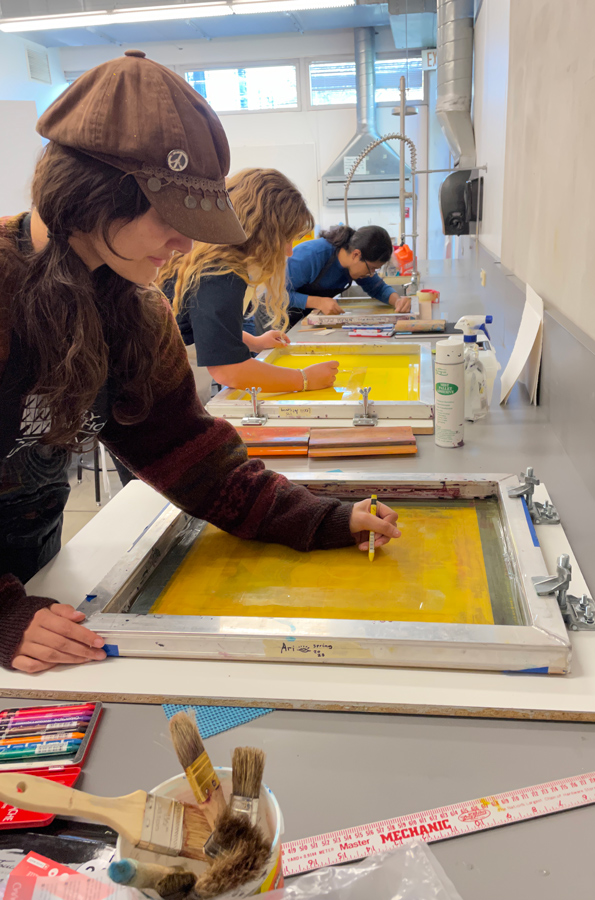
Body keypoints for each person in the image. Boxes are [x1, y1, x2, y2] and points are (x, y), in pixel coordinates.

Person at [0, 50, 400, 674]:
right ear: (94, 195)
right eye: (171, 218)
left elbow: (194, 459)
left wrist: (322, 518)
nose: (186, 244)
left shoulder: (136, 310)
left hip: (33, 574)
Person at [162, 168, 340, 394]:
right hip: (162, 391)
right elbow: (229, 371)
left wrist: (254, 342)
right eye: (285, 239)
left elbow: (207, 329)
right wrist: (304, 379)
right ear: (261, 232)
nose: (289, 252)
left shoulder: (213, 259)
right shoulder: (220, 274)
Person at [279, 224, 412, 331]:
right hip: (274, 319)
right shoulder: (311, 255)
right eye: (371, 268)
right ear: (355, 255)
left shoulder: (356, 264)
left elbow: (378, 288)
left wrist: (397, 301)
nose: (371, 274)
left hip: (302, 323)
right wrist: (318, 302)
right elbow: (277, 296)